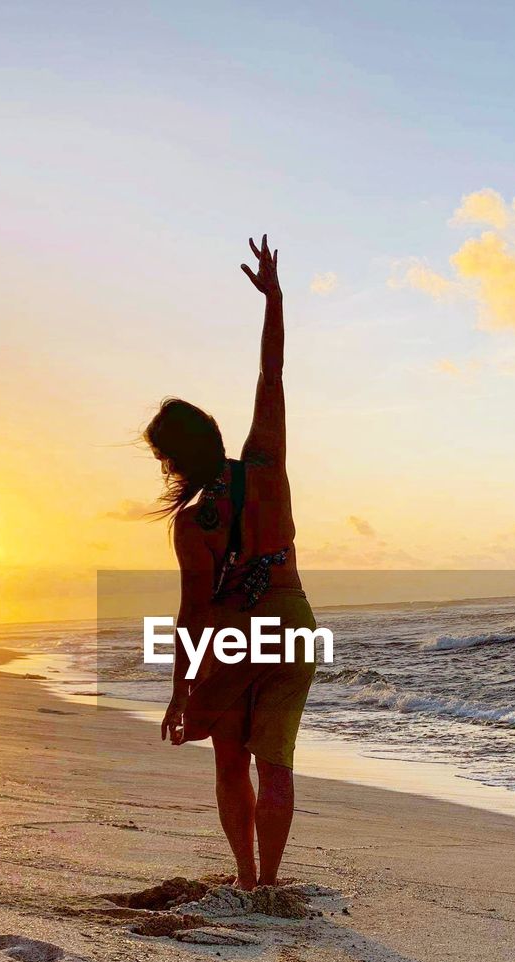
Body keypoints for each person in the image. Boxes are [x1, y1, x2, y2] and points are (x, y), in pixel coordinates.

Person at [144, 235, 315, 890]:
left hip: (234, 634)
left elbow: (193, 613)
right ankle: (271, 879)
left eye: (163, 458)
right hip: (294, 622)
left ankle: (246, 878)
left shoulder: (193, 522)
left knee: (229, 763)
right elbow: (271, 377)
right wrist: (274, 301)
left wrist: (181, 686)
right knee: (277, 765)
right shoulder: (266, 467)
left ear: (176, 458)